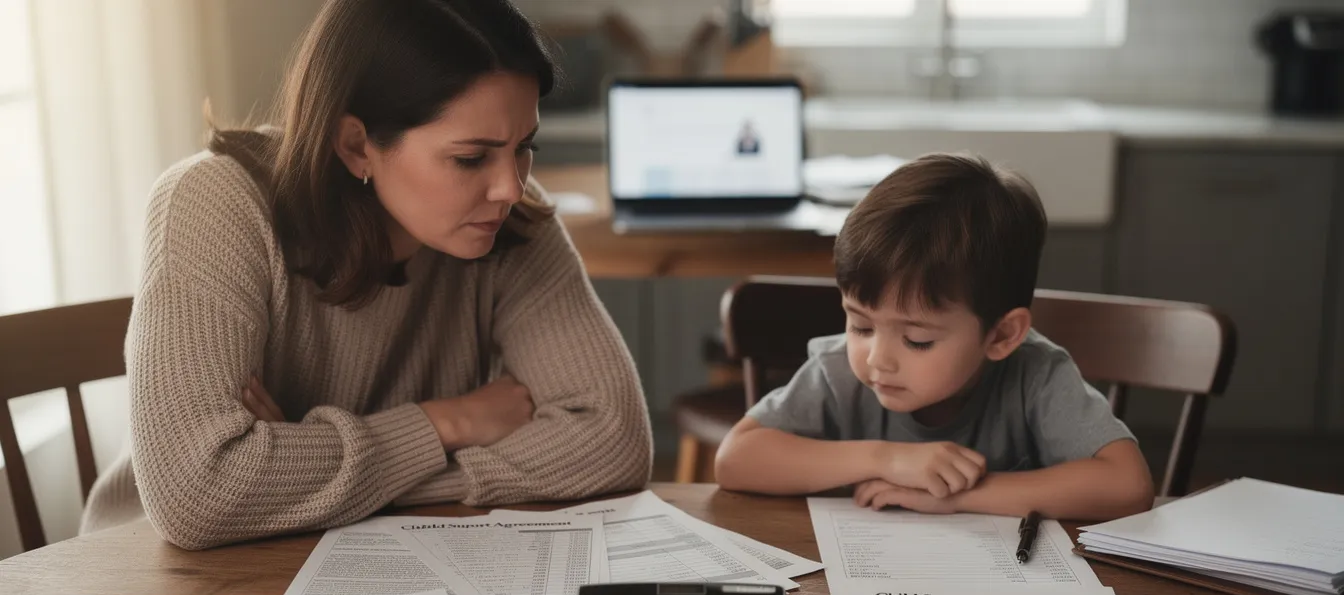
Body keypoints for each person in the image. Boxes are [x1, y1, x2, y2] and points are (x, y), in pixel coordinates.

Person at [81, 0, 652, 549]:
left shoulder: (512, 222)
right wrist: (446, 423)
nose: (510, 186)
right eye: (471, 158)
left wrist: (312, 471)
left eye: (523, 147)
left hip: (383, 559)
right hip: (161, 577)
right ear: (356, 145)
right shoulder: (216, 204)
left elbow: (613, 437)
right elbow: (199, 490)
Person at [715, 153, 1154, 522]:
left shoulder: (1034, 374)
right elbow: (735, 459)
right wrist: (887, 459)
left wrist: (958, 496)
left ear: (1001, 335)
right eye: (861, 326)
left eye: (917, 340)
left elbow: (1128, 484)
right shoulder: (836, 373)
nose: (877, 360)